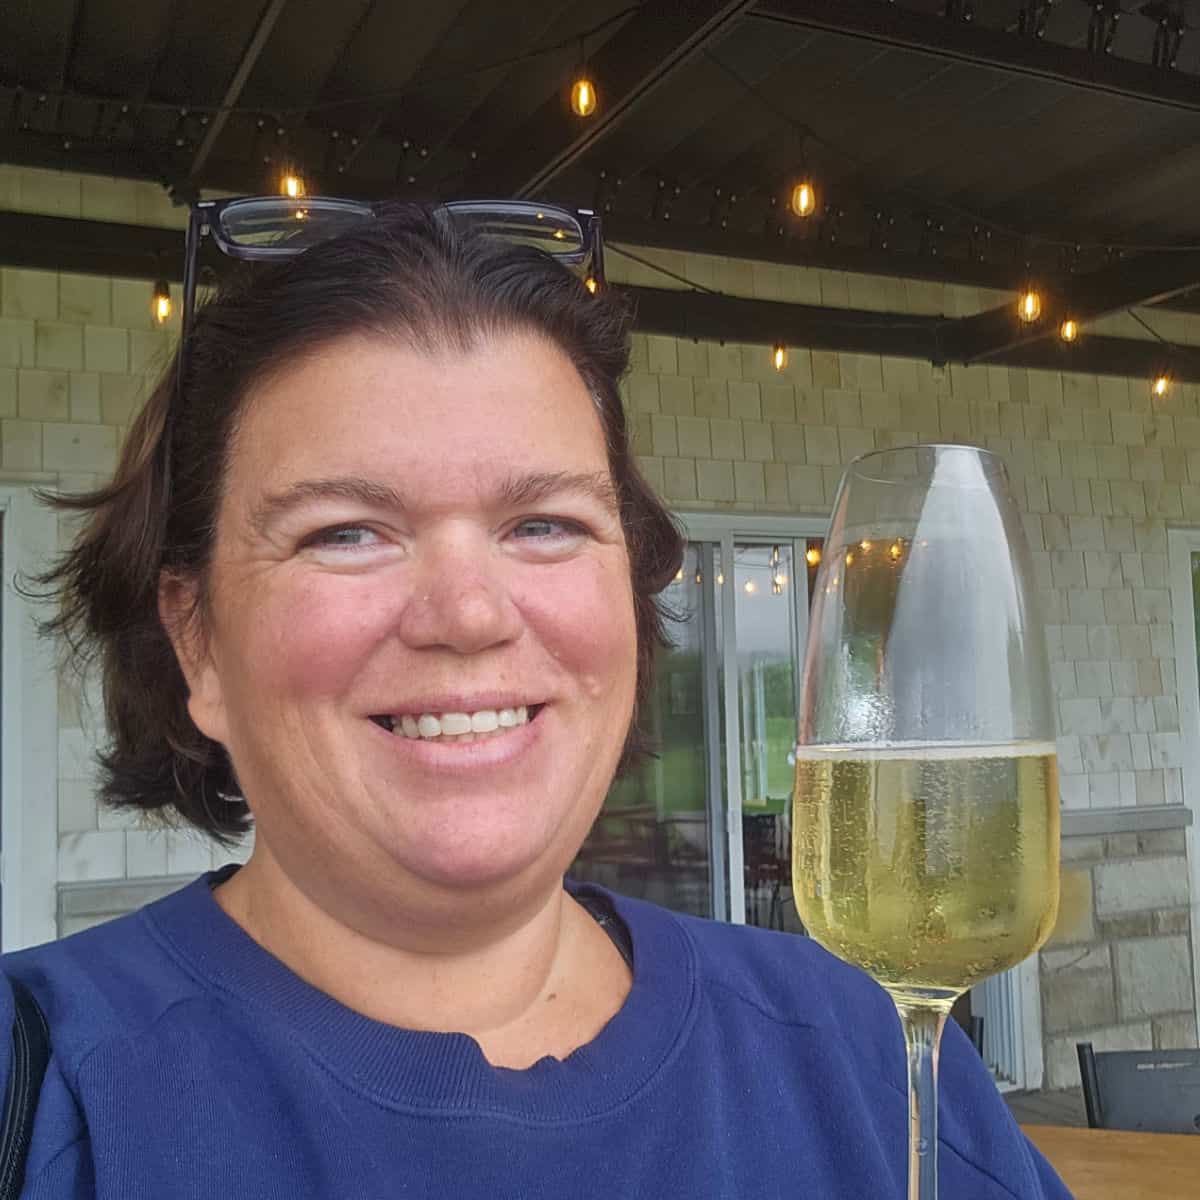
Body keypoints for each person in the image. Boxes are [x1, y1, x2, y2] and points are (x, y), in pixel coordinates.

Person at [0, 203, 1071, 1198]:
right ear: (198, 642)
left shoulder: (864, 1054)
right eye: (345, 531)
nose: (467, 613)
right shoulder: (47, 1096)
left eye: (545, 524)